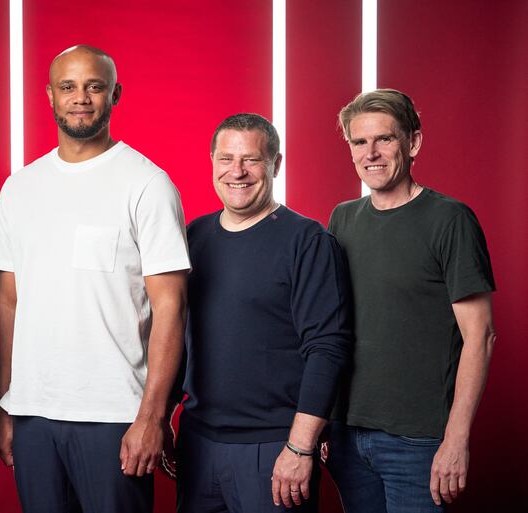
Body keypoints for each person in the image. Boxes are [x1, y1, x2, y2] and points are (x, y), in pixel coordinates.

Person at [0, 45, 190, 513]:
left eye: (94, 86)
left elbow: (170, 307)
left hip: (115, 418)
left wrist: (153, 417)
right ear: (50, 97)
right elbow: (7, 303)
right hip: (34, 414)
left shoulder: (147, 184)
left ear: (114, 94)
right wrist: (5, 405)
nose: (81, 97)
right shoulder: (19, 188)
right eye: (69, 87)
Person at [326, 89, 496, 512]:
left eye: (384, 139)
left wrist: (456, 439)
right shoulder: (342, 218)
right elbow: (332, 327)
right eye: (359, 142)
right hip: (347, 435)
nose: (371, 153)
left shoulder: (450, 219)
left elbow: (481, 336)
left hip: (418, 441)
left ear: (413, 143)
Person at [174, 113, 352, 512]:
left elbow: (327, 348)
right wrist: (159, 419)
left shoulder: (308, 241)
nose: (237, 171)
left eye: (251, 159)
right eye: (226, 159)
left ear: (276, 164)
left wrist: (300, 447)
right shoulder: (193, 237)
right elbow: (175, 337)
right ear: (212, 161)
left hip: (273, 448)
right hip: (199, 442)